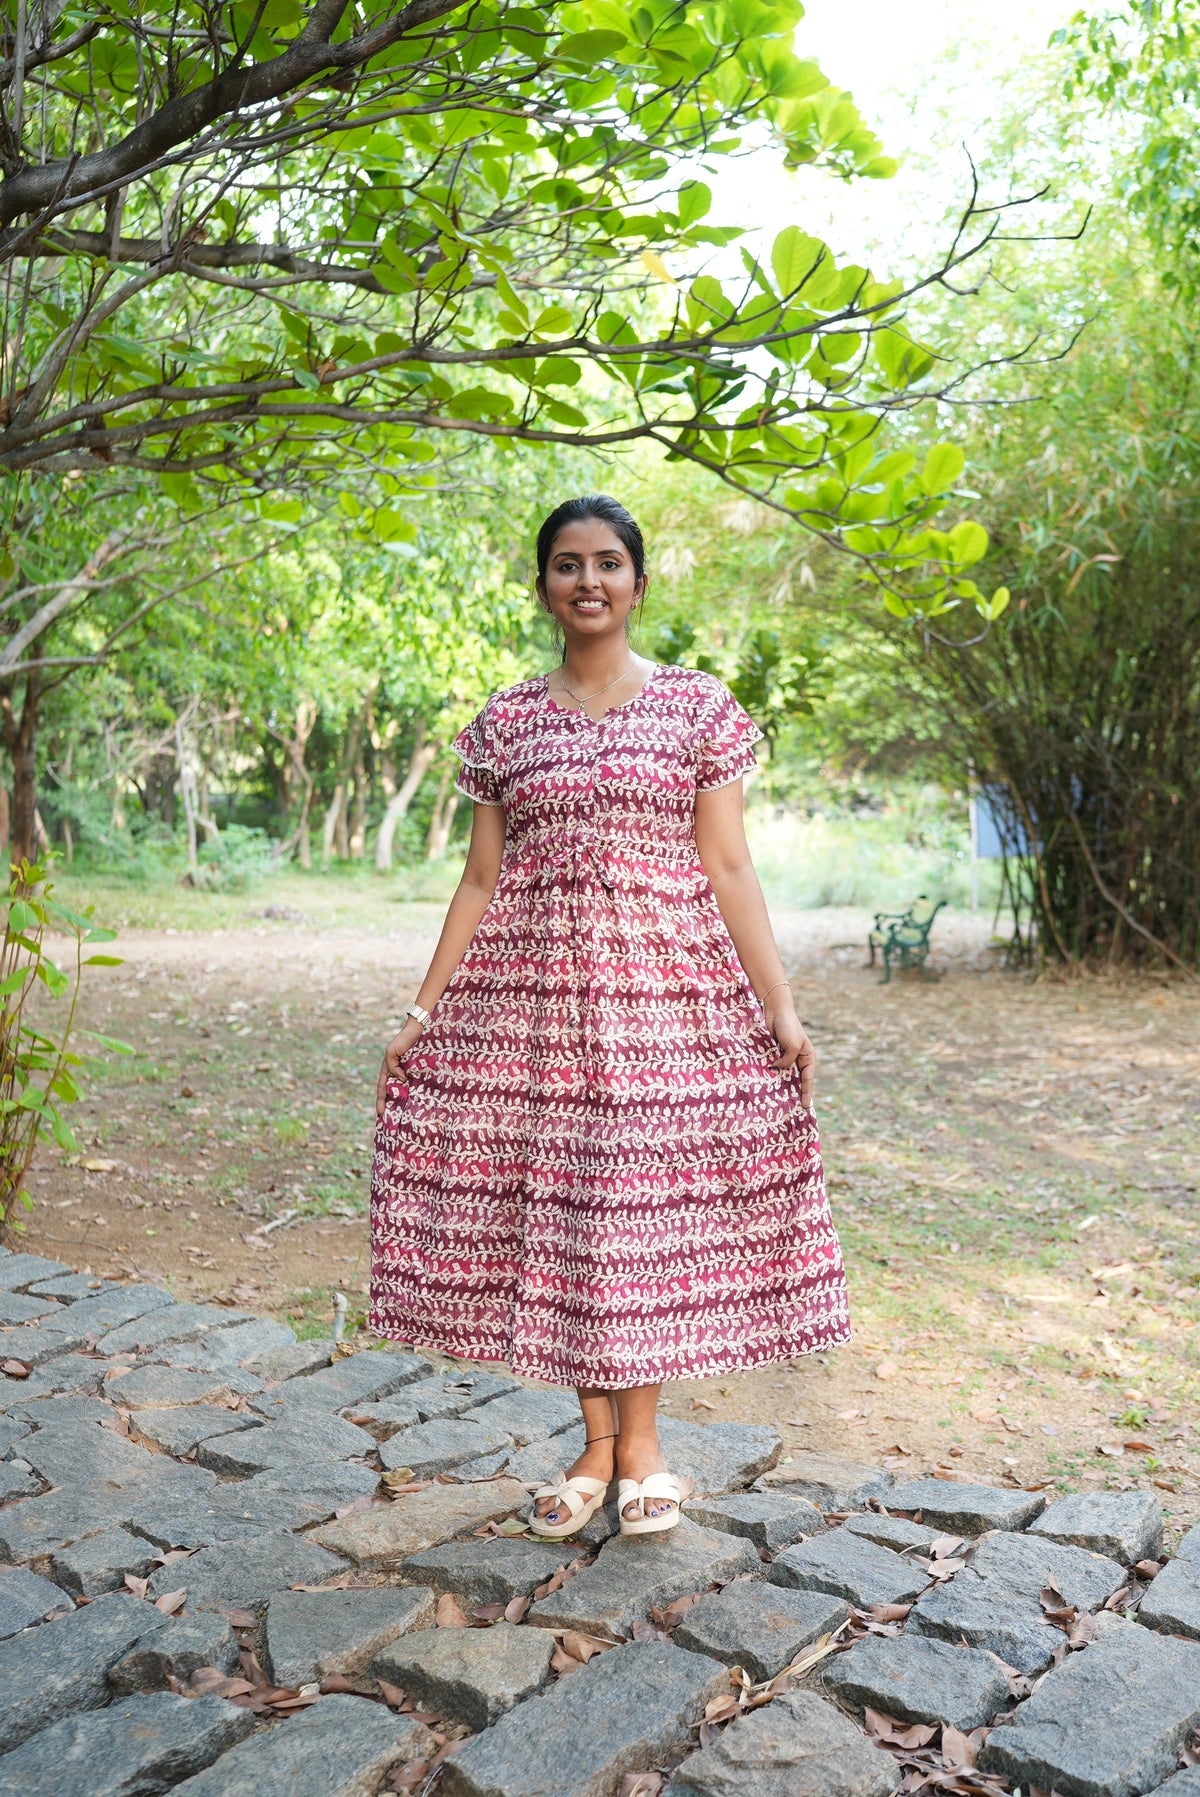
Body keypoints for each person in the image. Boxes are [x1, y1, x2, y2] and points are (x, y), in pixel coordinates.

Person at [371, 494, 849, 1540]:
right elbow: (480, 878)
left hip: (665, 1003)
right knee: (563, 1212)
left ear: (637, 581)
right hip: (531, 1008)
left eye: (607, 563)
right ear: (544, 585)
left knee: (637, 1217)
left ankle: (642, 1448)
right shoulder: (507, 721)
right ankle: (599, 1445)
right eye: (567, 563)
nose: (588, 580)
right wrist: (421, 1011)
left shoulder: (696, 708)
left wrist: (781, 1007)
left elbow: (728, 864)